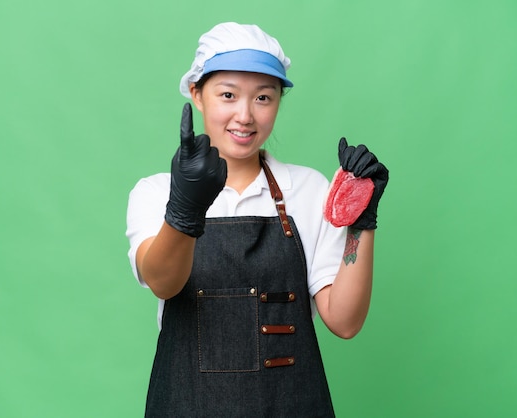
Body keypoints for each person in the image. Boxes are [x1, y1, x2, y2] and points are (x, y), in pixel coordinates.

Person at [126, 22, 389, 417]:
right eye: (228, 95)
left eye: (263, 97)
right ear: (197, 94)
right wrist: (184, 208)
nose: (245, 115)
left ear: (279, 101)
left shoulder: (307, 189)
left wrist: (361, 223)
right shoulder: (156, 192)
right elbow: (163, 282)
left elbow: (345, 321)